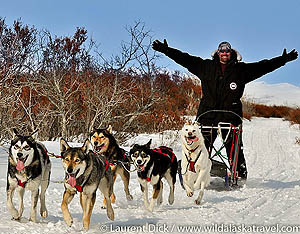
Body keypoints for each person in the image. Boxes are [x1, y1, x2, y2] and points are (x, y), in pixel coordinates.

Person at [152, 39, 298, 180]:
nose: (224, 54)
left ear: (231, 53)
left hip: (230, 115)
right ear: (217, 53)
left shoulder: (241, 70)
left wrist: (283, 59)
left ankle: (239, 176)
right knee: (201, 145)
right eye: (222, 51)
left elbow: (263, 66)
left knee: (234, 148)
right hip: (208, 115)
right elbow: (185, 59)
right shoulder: (205, 67)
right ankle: (197, 173)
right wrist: (166, 50)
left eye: (227, 51)